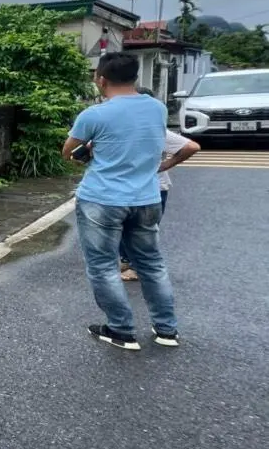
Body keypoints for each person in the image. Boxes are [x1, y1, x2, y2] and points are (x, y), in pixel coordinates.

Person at [63, 52, 178, 350]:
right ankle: (166, 330)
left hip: (102, 199)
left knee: (103, 266)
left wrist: (90, 148)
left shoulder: (94, 114)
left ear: (100, 79)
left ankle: (121, 330)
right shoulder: (157, 109)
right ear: (135, 77)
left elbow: (69, 152)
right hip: (147, 197)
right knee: (151, 264)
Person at [120, 87, 200, 281]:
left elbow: (191, 146)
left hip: (151, 189)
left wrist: (166, 165)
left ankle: (139, 267)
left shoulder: (156, 131)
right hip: (127, 188)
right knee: (125, 228)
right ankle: (127, 260)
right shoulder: (126, 128)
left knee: (142, 231)